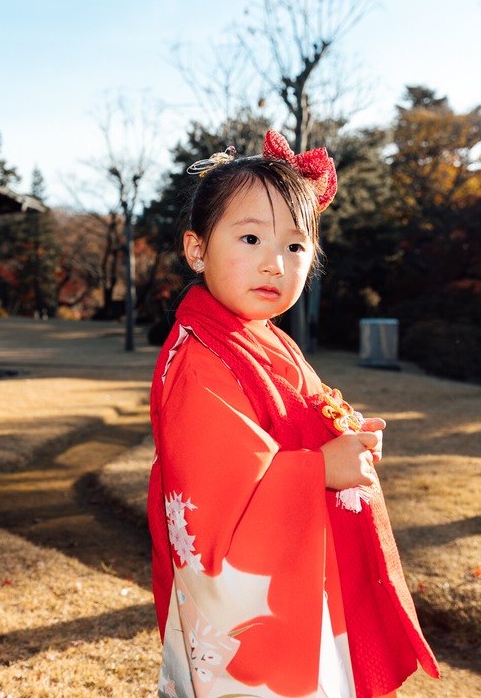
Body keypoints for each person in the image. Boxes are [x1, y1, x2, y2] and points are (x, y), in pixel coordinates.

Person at [147, 131, 440, 698]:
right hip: (250, 598)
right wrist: (319, 470)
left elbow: (296, 416)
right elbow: (217, 490)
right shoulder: (200, 359)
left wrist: (343, 431)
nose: (274, 264)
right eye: (251, 237)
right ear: (197, 249)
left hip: (303, 570)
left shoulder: (264, 338)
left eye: (295, 246)